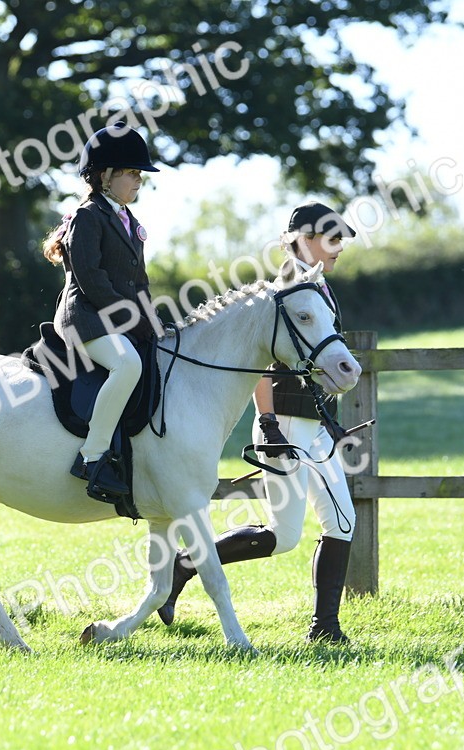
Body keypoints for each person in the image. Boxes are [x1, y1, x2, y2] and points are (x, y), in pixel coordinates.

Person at [156, 201, 360, 643]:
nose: (341, 246)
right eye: (333, 237)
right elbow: (261, 362)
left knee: (338, 523)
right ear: (303, 240)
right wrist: (267, 420)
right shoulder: (284, 288)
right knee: (290, 535)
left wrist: (328, 419)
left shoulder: (319, 287)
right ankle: (186, 564)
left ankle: (325, 628)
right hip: (284, 423)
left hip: (312, 427)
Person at [41, 122, 162, 502]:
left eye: (139, 173)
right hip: (85, 319)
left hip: (116, 318)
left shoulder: (131, 222)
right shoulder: (88, 216)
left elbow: (138, 282)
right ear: (105, 175)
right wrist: (132, 316)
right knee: (128, 365)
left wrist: (153, 320)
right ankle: (92, 457)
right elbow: (91, 279)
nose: (138, 180)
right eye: (131, 173)